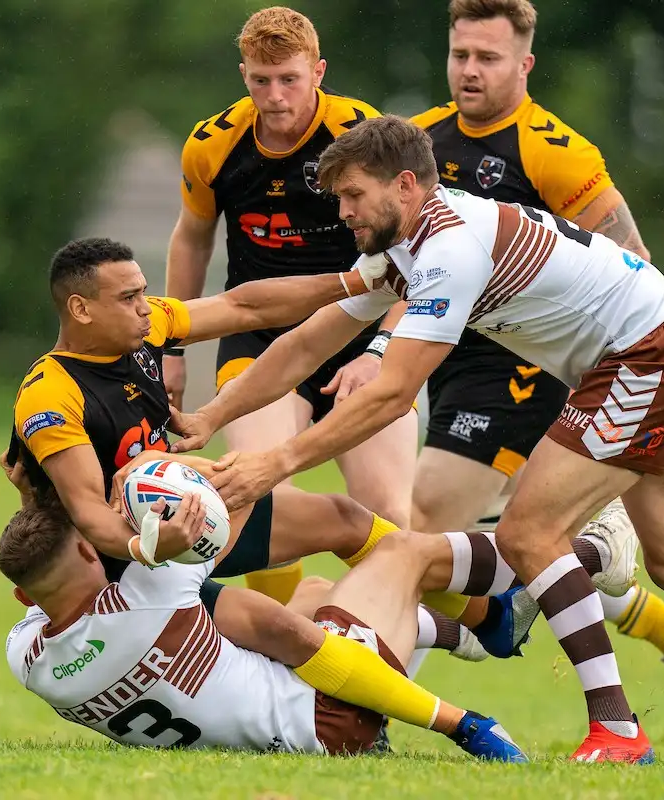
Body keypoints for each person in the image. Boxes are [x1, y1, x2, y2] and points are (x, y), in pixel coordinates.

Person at [169, 116, 664, 765]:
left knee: (528, 532)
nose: (342, 212)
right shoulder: (410, 242)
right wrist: (212, 412)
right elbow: (307, 337)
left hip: (649, 355)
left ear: (406, 185)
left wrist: (276, 463)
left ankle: (616, 726)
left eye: (352, 195)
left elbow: (392, 393)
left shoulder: (448, 248)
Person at [7, 236, 535, 674]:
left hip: (179, 517)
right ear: (80, 309)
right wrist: (148, 545)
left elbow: (244, 306)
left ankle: (488, 617)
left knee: (344, 518)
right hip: (118, 567)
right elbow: (89, 514)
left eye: (144, 293)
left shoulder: (146, 332)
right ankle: (369, 711)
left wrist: (355, 283)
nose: (146, 307)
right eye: (128, 298)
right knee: (281, 629)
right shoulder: (51, 394)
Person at [403, 0, 664, 732]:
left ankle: (365, 709)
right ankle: (661, 622)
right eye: (460, 55)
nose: (470, 70)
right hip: (451, 358)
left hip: (525, 367)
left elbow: (638, 268)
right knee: (508, 548)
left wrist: (610, 390)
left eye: (487, 58)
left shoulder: (555, 151)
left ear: (524, 64)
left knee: (423, 524)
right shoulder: (419, 140)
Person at [163, 6, 418, 604]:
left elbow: (418, 256)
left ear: (319, 72)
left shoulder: (363, 135)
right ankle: (277, 651)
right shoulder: (212, 144)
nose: (274, 97)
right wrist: (170, 346)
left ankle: (360, 645)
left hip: (359, 337)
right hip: (260, 336)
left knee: (388, 515)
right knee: (254, 489)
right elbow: (191, 236)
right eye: (259, 80)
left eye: (290, 80)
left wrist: (382, 348)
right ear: (244, 75)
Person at [0, 500, 528, 761]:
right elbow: (225, 511)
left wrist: (34, 494)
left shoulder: (26, 658)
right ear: (93, 547)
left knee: (317, 592)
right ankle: (514, 598)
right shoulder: (149, 593)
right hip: (331, 718)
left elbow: (44, 580)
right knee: (400, 554)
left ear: (24, 597)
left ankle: (468, 635)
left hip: (283, 733)